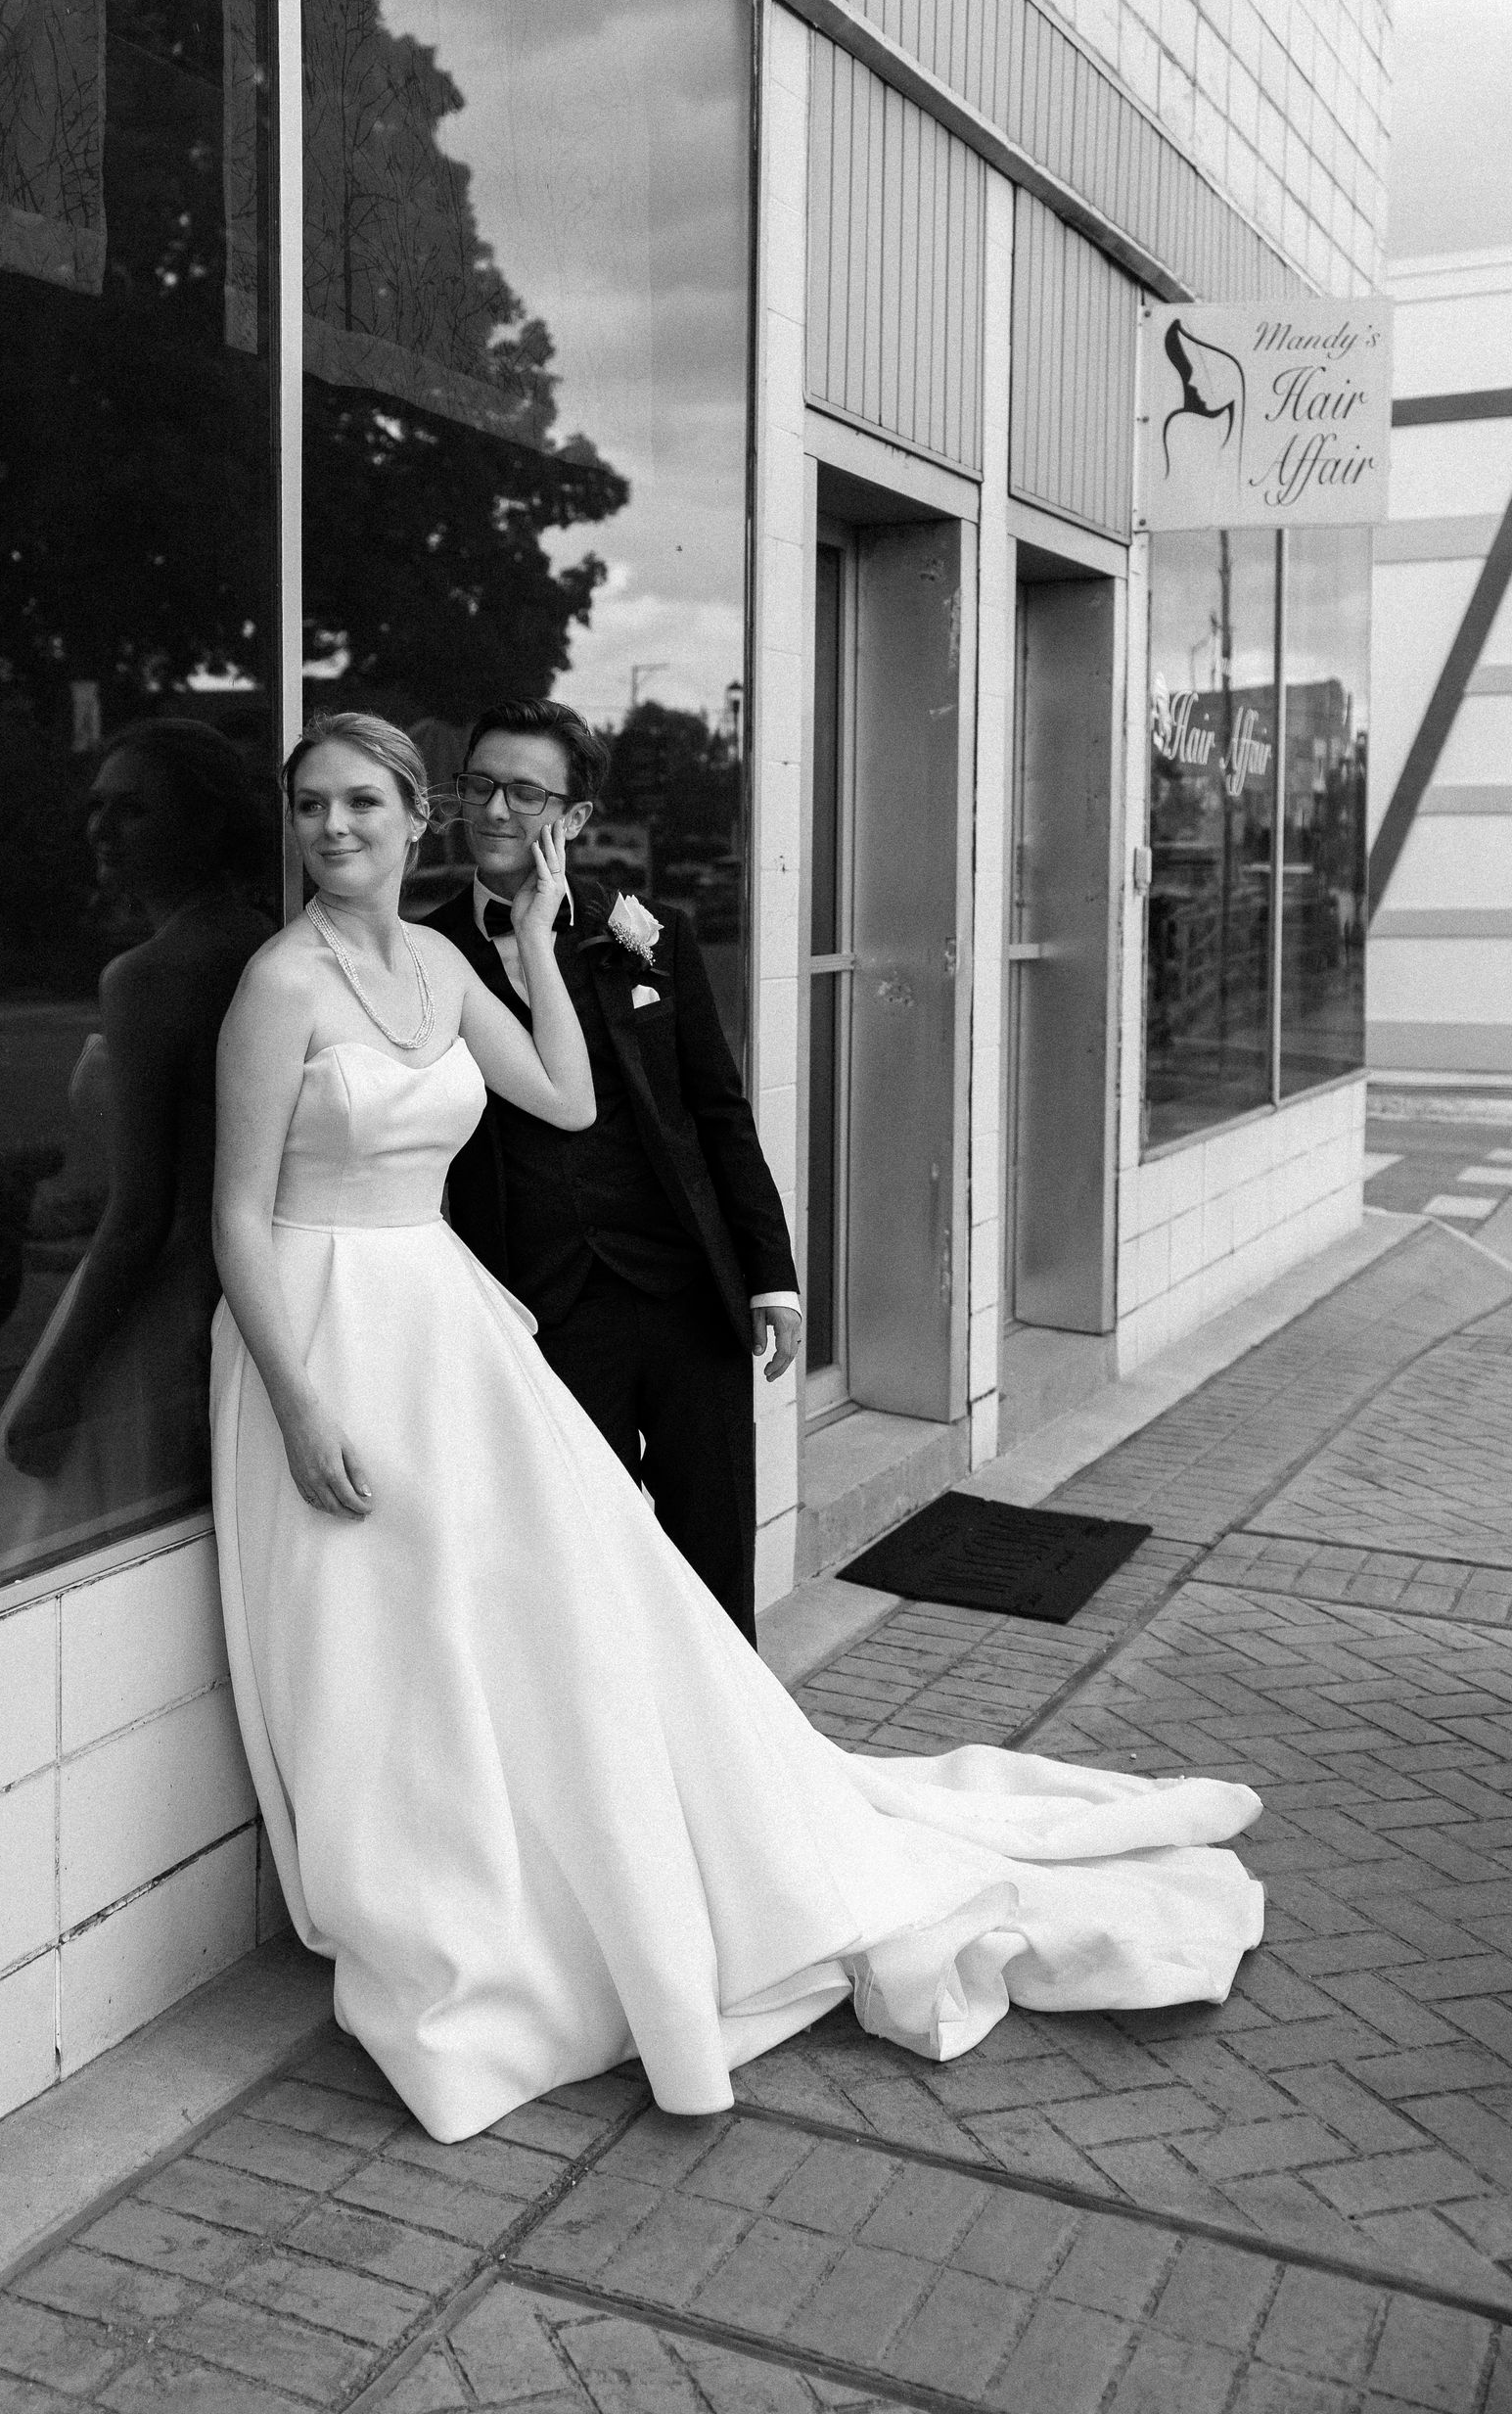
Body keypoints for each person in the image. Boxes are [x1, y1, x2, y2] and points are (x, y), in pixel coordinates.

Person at [208, 707, 1263, 2149]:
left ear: (415, 813)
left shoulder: (461, 958)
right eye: (309, 806)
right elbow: (233, 1220)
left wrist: (538, 945)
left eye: (362, 806)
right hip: (336, 1328)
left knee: (584, 1605)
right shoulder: (279, 984)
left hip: (463, 1330)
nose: (334, 830)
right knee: (384, 1626)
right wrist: (297, 1396)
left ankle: (641, 1832)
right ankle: (446, 1896)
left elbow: (582, 1099)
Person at [422, 698, 798, 1643]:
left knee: (711, 1557)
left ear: (574, 820)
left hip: (681, 1292)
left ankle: (731, 1772)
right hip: (536, 1306)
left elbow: (717, 1111)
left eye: (525, 792)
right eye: (479, 786)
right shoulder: (425, 954)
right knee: (573, 1571)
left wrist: (771, 1274)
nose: (496, 810)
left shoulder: (649, 933)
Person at [0, 720, 274, 1600]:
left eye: (134, 810)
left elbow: (147, 1211)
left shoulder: (153, 975)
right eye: (96, 808)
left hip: (160, 1300)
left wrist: (59, 1381)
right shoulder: (268, 940)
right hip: (248, 1287)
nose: (100, 830)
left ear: (206, 825)